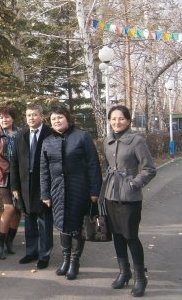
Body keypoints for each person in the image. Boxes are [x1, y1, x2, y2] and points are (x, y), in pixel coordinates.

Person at [40, 105, 102, 280]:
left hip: (79, 189)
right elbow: (44, 170)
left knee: (76, 228)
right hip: (57, 190)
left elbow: (93, 165)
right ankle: (65, 259)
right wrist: (45, 194)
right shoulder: (48, 141)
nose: (57, 121)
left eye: (60, 117)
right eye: (53, 119)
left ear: (67, 118)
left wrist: (94, 190)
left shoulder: (82, 137)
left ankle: (75, 261)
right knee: (62, 226)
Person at [103, 105, 156, 297]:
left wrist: (134, 184)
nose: (117, 122)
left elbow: (150, 169)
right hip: (110, 195)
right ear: (109, 121)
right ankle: (123, 272)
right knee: (117, 235)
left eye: (121, 119)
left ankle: (140, 277)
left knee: (130, 236)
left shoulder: (136, 140)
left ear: (128, 121)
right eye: (113, 119)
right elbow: (107, 165)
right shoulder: (107, 140)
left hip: (130, 196)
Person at [10, 104, 54, 269]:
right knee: (29, 220)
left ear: (41, 116)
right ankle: (31, 252)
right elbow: (13, 162)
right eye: (28, 115)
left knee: (44, 221)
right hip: (24, 185)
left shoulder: (50, 134)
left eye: (34, 115)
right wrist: (14, 186)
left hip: (43, 184)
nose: (31, 118)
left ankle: (44, 254)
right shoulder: (20, 135)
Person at [0, 105, 21, 260]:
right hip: (4, 176)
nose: (4, 119)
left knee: (19, 210)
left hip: (21, 177)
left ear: (12, 118)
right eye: (1, 117)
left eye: (7, 117)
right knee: (9, 208)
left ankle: (10, 241)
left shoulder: (21, 133)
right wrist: (9, 168)